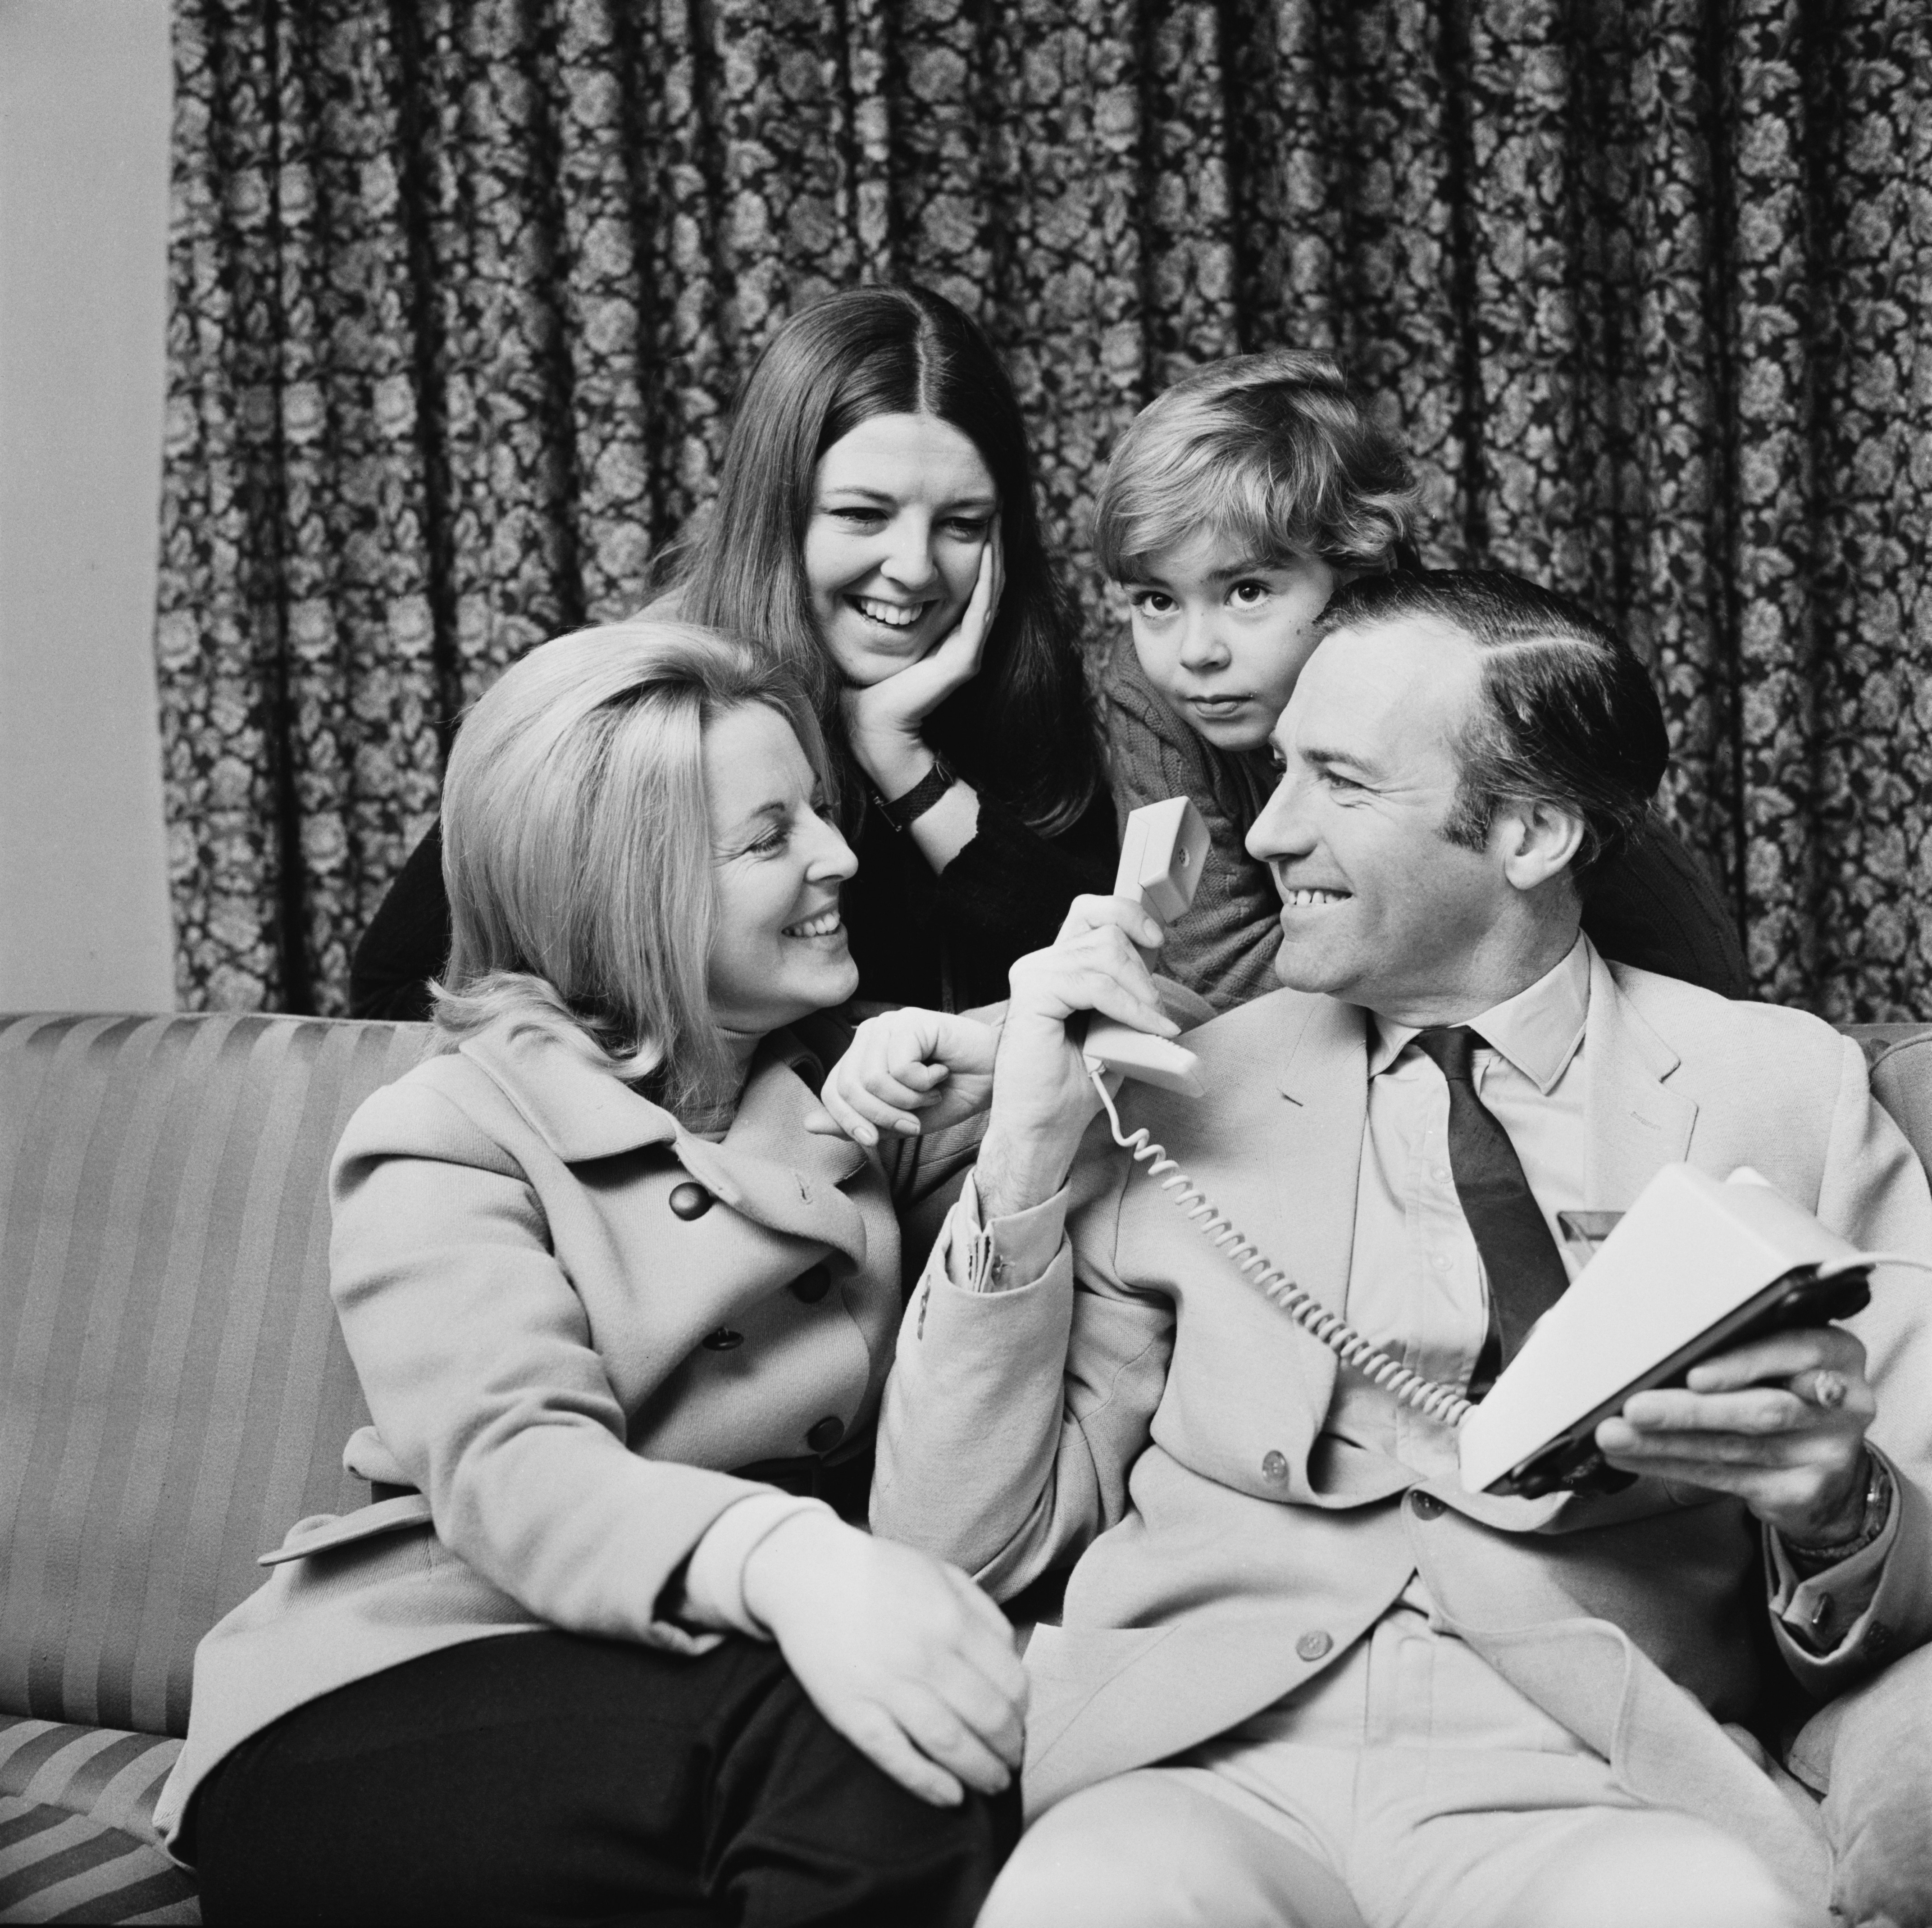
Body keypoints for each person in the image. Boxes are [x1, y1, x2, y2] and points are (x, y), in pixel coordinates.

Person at [832, 572, 1932, 1927]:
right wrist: (1022, 1160)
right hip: (1203, 1769)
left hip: (1589, 1782)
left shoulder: (1785, 1092)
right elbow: (959, 1549)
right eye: (1277, 769)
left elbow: (1921, 1522)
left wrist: (1838, 1507)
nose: (1273, 829)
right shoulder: (1169, 1089)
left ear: (1529, 832)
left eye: (1339, 784)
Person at [155, 621, 1027, 1926]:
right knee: (885, 1740)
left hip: (698, 1696)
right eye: (771, 835)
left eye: (822, 815)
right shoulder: (450, 1129)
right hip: (404, 1686)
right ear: (631, 894)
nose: (842, 857)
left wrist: (1013, 1048)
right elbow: (518, 1468)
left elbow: (1138, 1034)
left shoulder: (858, 1094)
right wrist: (794, 1562)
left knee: (928, 1739)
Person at [350, 284, 1113, 1023]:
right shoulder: (654, 698)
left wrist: (903, 762)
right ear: (775, 513)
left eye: (962, 524)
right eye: (860, 514)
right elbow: (395, 997)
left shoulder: (1022, 674)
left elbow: (1107, 972)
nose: (915, 568)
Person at [1094, 350, 1750, 1009]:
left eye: (1246, 591)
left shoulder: (1454, 674)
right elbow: (1216, 969)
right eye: (1157, 600)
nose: (1195, 651)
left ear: (1359, 575)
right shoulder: (1160, 689)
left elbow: (1691, 964)